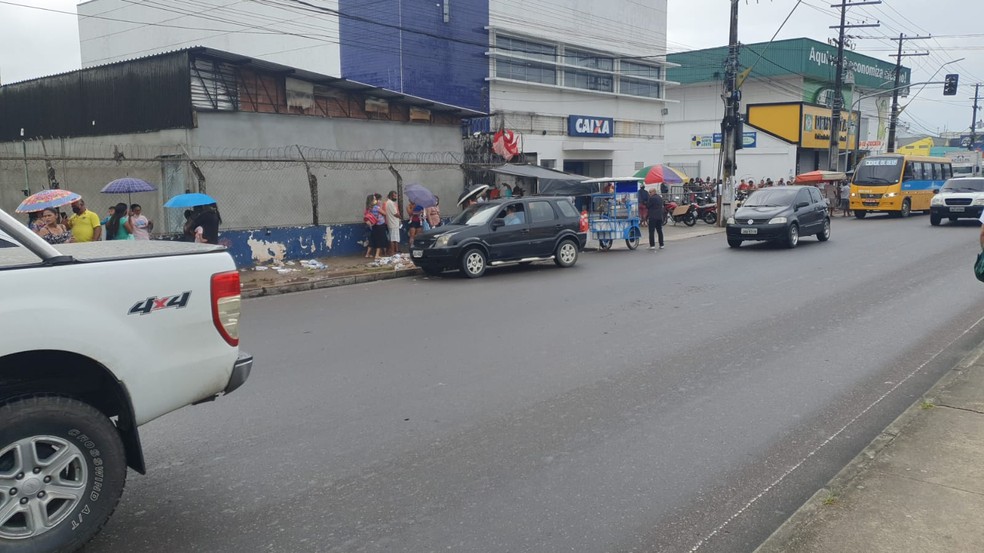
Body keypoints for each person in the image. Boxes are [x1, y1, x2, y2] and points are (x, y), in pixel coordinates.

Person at [383, 190, 401, 255]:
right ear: (390, 196)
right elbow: (395, 213)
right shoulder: (390, 203)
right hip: (393, 223)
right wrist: (400, 216)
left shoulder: (388, 203)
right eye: (394, 196)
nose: (395, 197)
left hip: (392, 223)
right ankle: (393, 252)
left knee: (394, 238)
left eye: (396, 196)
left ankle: (395, 251)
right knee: (393, 239)